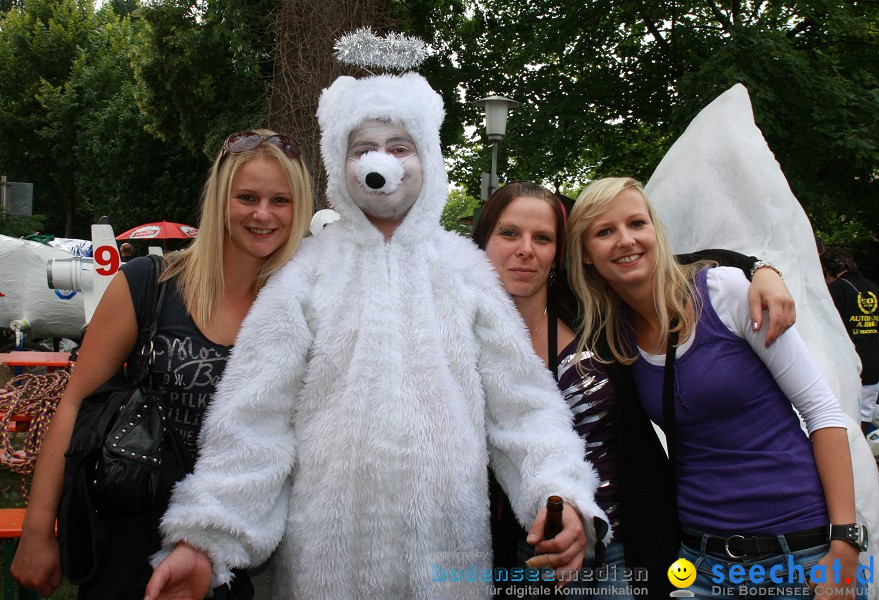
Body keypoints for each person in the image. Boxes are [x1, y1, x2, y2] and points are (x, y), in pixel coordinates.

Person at [145, 73, 605, 600]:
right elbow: (254, 420)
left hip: (448, 561)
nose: (378, 161)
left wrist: (559, 492)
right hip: (327, 566)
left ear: (427, 156)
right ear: (339, 160)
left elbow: (523, 408)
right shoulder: (306, 274)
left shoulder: (464, 271)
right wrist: (206, 539)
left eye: (398, 146)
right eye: (362, 147)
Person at [11, 129, 313, 599]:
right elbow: (72, 405)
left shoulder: (303, 307)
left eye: (281, 200)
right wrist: (35, 531)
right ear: (220, 199)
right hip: (126, 536)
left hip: (229, 551)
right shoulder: (149, 284)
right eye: (247, 197)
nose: (262, 214)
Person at [472, 180, 795, 600]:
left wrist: (761, 271)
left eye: (543, 238)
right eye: (509, 233)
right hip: (527, 554)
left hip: (628, 546)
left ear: (559, 253)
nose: (526, 250)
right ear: (482, 241)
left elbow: (680, 265)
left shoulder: (595, 311)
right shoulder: (459, 333)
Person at [566, 177, 865, 600]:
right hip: (701, 560)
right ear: (586, 254)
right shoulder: (615, 339)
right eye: (604, 231)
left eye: (637, 223)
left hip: (799, 551)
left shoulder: (725, 292)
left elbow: (823, 413)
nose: (625, 240)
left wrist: (845, 540)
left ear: (656, 231)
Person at [821, 248, 879, 434]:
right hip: (873, 363)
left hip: (845, 366)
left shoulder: (836, 290)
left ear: (829, 271)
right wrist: (875, 354)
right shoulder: (874, 289)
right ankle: (863, 459)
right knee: (864, 417)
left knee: (840, 417)